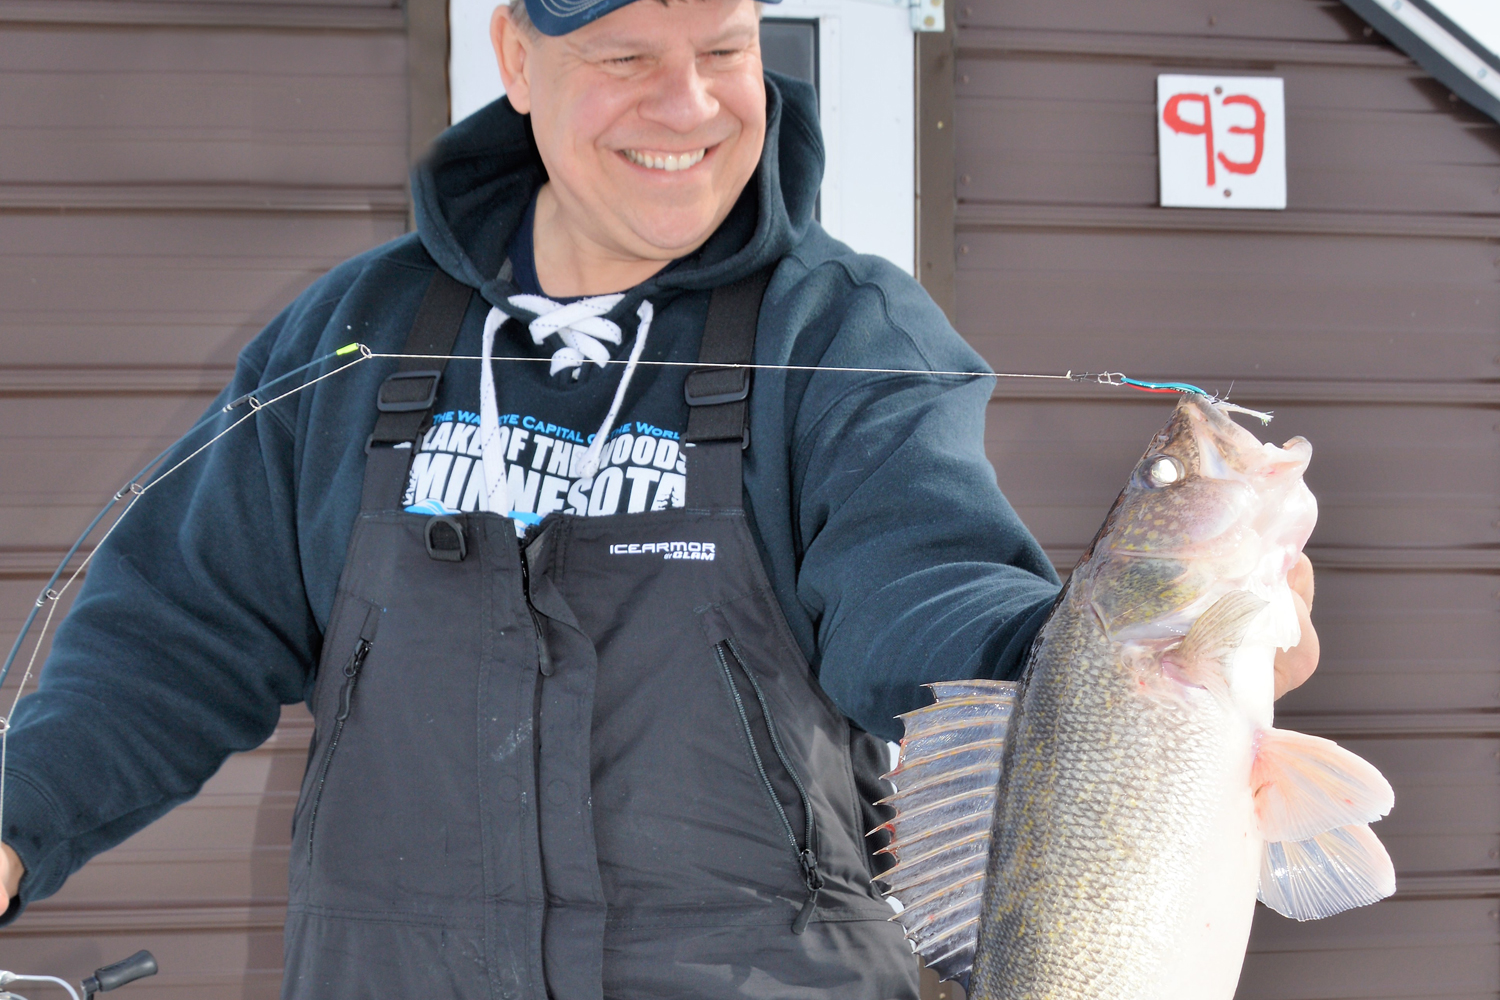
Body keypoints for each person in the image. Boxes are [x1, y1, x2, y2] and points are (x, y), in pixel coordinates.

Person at [0, 0, 1320, 995]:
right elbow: (175, 635)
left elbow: (919, 589)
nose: (687, 104)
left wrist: (1094, 666)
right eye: (626, 56)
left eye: (725, 48)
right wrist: (13, 827)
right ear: (516, 57)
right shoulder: (356, 332)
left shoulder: (846, 330)